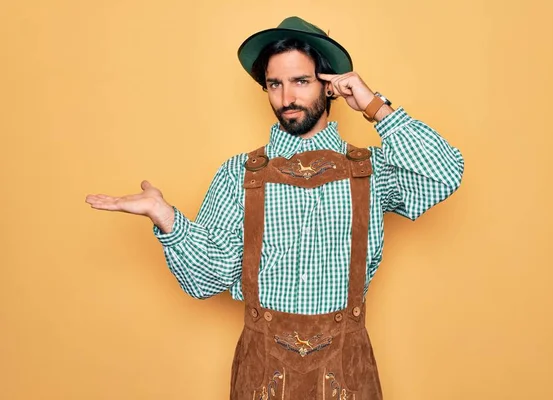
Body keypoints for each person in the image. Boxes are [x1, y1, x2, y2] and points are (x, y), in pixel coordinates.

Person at [86, 16, 464, 400]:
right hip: (261, 373)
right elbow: (206, 281)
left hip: (347, 374)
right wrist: (166, 218)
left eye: (301, 81)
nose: (286, 99)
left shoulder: (370, 170)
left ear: (330, 84)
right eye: (275, 84)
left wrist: (373, 106)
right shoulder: (240, 174)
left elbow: (445, 173)